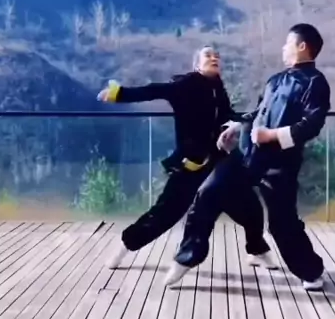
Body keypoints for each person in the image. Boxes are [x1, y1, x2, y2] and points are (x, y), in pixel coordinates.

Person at [165, 24, 330, 291]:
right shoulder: (275, 80)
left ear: (302, 46)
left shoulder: (315, 83)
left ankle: (311, 272)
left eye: (287, 43)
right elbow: (258, 113)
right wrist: (236, 126)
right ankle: (186, 258)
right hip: (247, 156)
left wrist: (272, 135)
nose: (283, 48)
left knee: (282, 224)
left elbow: (313, 124)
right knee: (208, 192)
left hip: (280, 165)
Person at [97, 45, 275, 276]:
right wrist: (119, 94)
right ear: (197, 64)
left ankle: (256, 250)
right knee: (165, 214)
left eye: (217, 56)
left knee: (249, 206)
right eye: (208, 55)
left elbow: (225, 116)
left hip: (218, 163)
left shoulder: (217, 88)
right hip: (190, 165)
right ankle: (125, 246)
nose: (214, 58)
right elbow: (154, 90)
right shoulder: (186, 85)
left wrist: (243, 121)